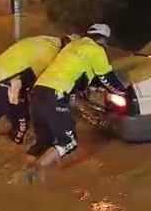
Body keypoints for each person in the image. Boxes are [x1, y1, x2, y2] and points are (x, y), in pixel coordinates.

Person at [18, 24, 124, 181]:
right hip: (55, 95)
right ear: (103, 40)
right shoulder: (96, 50)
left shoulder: (73, 46)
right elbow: (107, 78)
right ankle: (33, 173)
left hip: (38, 92)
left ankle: (23, 174)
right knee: (68, 142)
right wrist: (124, 93)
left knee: (43, 141)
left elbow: (74, 73)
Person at [0, 34, 79, 146]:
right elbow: (44, 87)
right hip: (5, 85)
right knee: (21, 125)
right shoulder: (51, 56)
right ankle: (13, 155)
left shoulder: (48, 41)